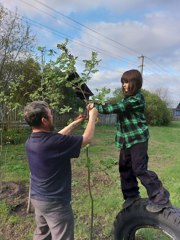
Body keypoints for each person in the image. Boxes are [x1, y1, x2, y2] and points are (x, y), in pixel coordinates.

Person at [87, 69, 171, 213]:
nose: (124, 85)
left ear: (136, 83)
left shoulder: (137, 99)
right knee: (125, 168)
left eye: (127, 82)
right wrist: (96, 104)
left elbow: (116, 108)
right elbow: (116, 106)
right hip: (126, 140)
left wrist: (96, 107)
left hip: (138, 139)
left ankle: (160, 196)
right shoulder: (127, 99)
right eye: (123, 82)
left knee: (139, 169)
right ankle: (131, 196)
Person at [24, 100, 98, 240]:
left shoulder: (31, 141)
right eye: (50, 114)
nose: (52, 116)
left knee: (42, 234)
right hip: (55, 204)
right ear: (44, 120)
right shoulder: (54, 143)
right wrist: (92, 116)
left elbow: (57, 136)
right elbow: (87, 139)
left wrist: (74, 124)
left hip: (37, 198)